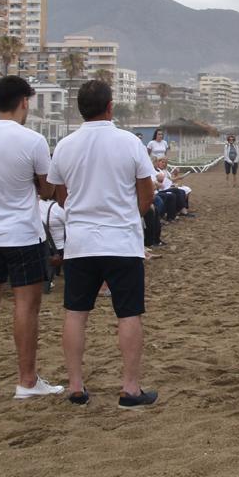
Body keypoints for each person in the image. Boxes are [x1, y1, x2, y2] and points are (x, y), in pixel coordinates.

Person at [50, 79, 158, 408]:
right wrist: (132, 215)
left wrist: (82, 212)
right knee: (128, 314)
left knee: (76, 313)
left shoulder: (66, 145)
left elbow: (59, 192)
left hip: (80, 241)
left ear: (80, 109)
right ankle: (130, 387)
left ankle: (76, 385)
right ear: (110, 107)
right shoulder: (128, 142)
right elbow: (147, 190)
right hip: (121, 240)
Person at [0, 75, 64, 401]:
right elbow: (48, 188)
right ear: (24, 101)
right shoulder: (33, 140)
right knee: (26, 307)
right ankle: (26, 379)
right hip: (22, 233)